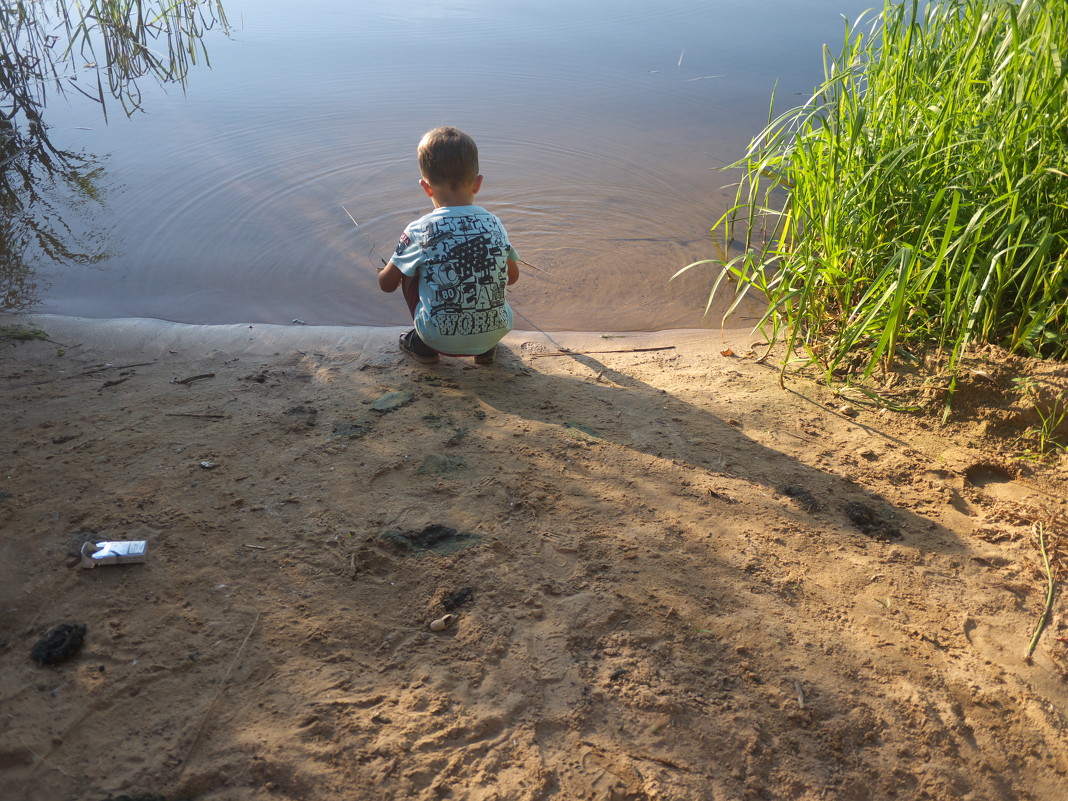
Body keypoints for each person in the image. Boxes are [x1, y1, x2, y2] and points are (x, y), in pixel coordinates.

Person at [378, 127, 520, 365]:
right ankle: (485, 349)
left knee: (409, 269)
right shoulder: (494, 223)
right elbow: (512, 277)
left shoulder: (418, 229)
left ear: (426, 187)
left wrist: (399, 267)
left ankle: (423, 346)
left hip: (437, 338)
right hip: (497, 330)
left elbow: (386, 284)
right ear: (477, 184)